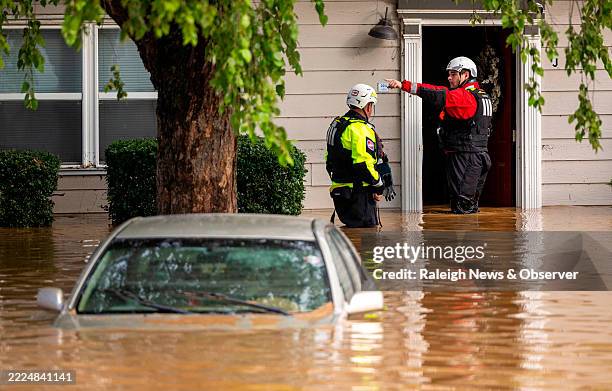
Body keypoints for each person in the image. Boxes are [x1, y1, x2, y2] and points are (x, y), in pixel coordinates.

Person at [386, 56, 492, 214]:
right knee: (468, 206)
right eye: (449, 74)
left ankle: (462, 238)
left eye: (454, 74)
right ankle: (467, 237)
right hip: (477, 155)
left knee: (462, 206)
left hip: (466, 156)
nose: (449, 78)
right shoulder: (482, 95)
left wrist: (404, 85)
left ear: (466, 75)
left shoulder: (465, 96)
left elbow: (437, 94)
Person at [325, 83, 395, 227]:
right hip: (359, 196)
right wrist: (378, 185)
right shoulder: (361, 129)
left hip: (340, 194)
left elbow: (329, 160)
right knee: (367, 243)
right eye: (371, 105)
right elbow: (363, 165)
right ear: (367, 106)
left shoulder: (337, 125)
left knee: (352, 240)